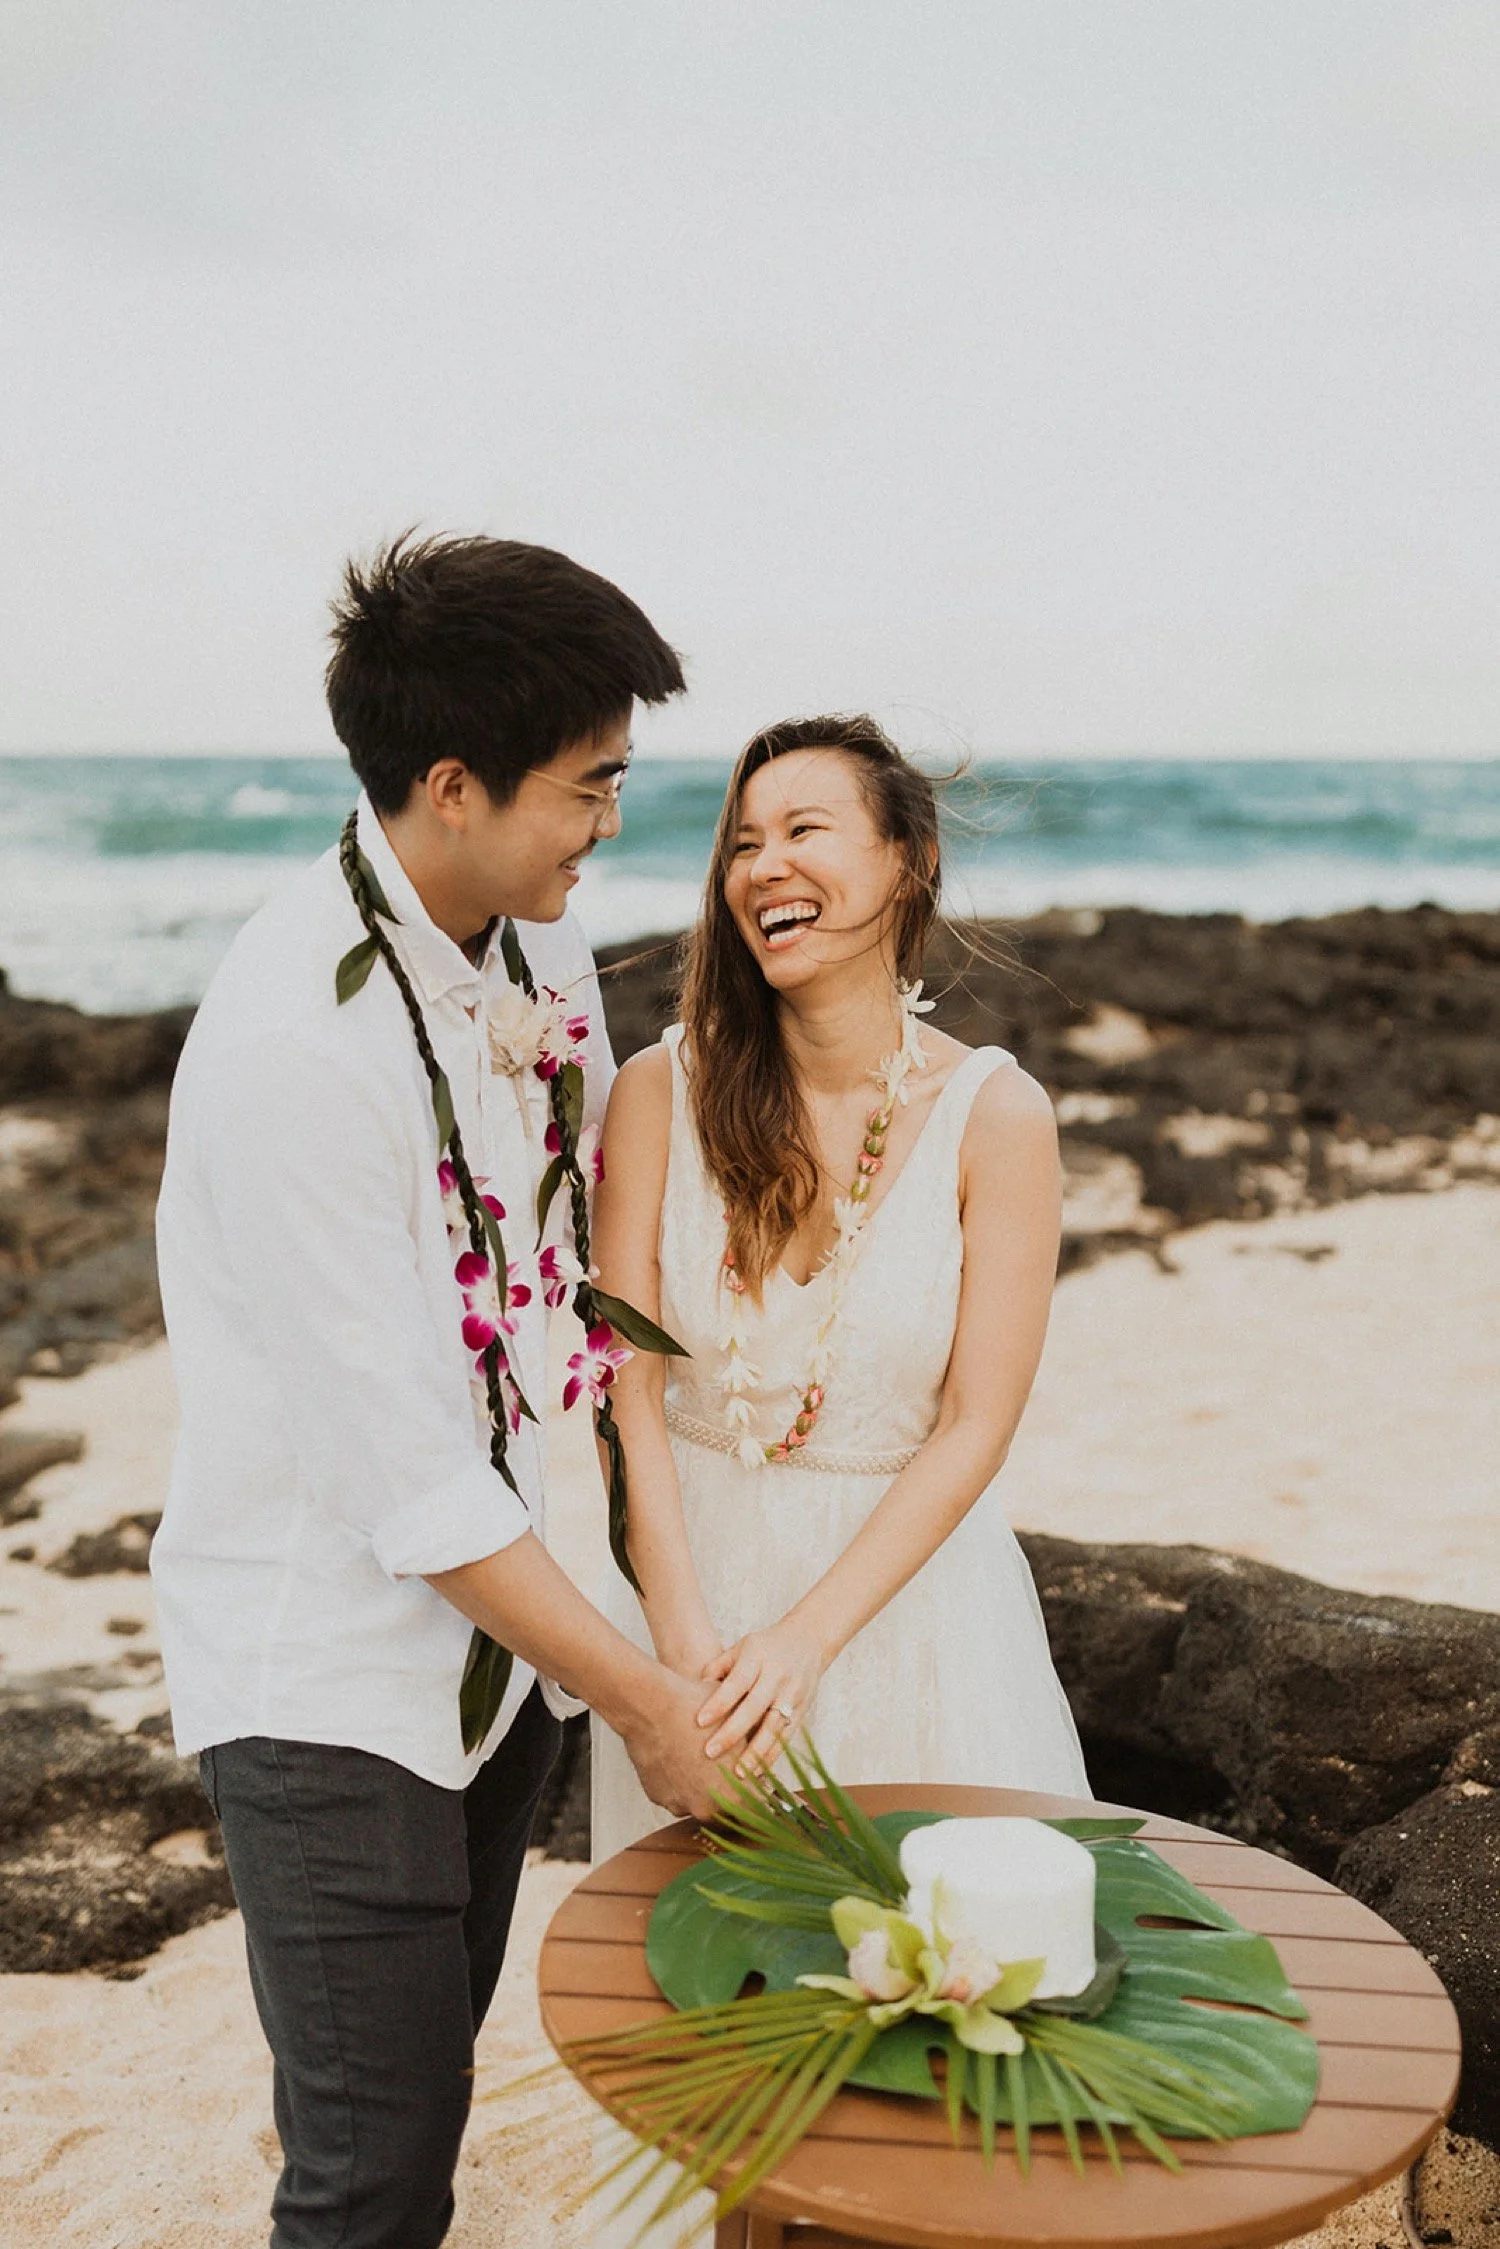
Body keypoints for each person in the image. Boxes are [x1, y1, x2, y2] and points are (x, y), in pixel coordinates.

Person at [151, 533, 721, 2249]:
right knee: (371, 2170)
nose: (608, 823)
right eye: (588, 785)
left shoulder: (537, 947)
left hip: (506, 1656)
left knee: (425, 2101)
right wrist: (646, 1701)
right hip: (330, 1676)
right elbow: (399, 1472)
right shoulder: (293, 1042)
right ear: (454, 784)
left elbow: (564, 1271)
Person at [591, 713, 1087, 1854]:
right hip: (691, 1609)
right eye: (743, 842)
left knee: (934, 1944)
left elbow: (976, 1424)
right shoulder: (656, 1092)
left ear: (907, 860)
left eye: (803, 829)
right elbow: (624, 1393)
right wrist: (684, 1649)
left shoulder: (997, 1117)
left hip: (909, 1618)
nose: (764, 865)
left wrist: (806, 1639)